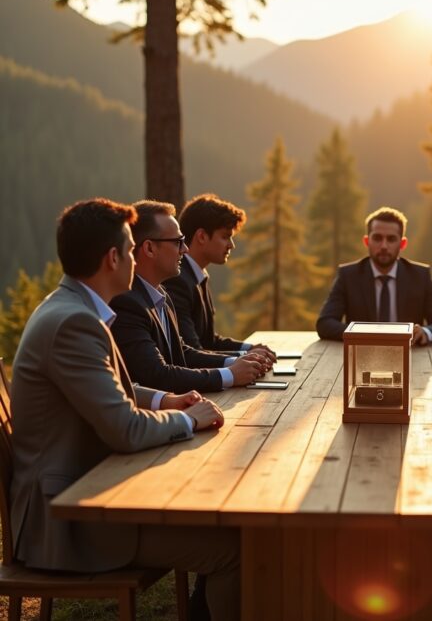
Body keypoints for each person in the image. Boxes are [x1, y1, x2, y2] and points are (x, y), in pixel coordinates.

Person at [10, 198, 240, 621]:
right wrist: (187, 419)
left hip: (85, 496)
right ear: (112, 258)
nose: (136, 259)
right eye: (132, 250)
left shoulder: (72, 308)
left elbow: (113, 388)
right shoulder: (74, 322)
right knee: (231, 549)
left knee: (224, 525)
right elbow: (126, 430)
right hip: (70, 520)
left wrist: (164, 400)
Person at [111, 200, 270, 394]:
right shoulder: (126, 303)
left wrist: (237, 362)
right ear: (150, 248)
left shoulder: (161, 295)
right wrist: (229, 374)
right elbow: (157, 375)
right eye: (177, 242)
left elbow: (182, 352)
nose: (185, 249)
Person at [316, 206, 432, 344]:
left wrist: (426, 332)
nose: (384, 246)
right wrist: (361, 334)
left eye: (391, 239)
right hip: (362, 352)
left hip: (411, 354)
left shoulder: (419, 276)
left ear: (402, 243)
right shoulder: (348, 276)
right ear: (367, 241)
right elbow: (325, 323)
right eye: (377, 238)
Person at [164, 193, 275, 359]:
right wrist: (244, 357)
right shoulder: (178, 281)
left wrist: (251, 349)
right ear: (201, 236)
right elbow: (191, 351)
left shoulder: (197, 276)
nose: (231, 245)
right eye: (225, 236)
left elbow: (209, 341)